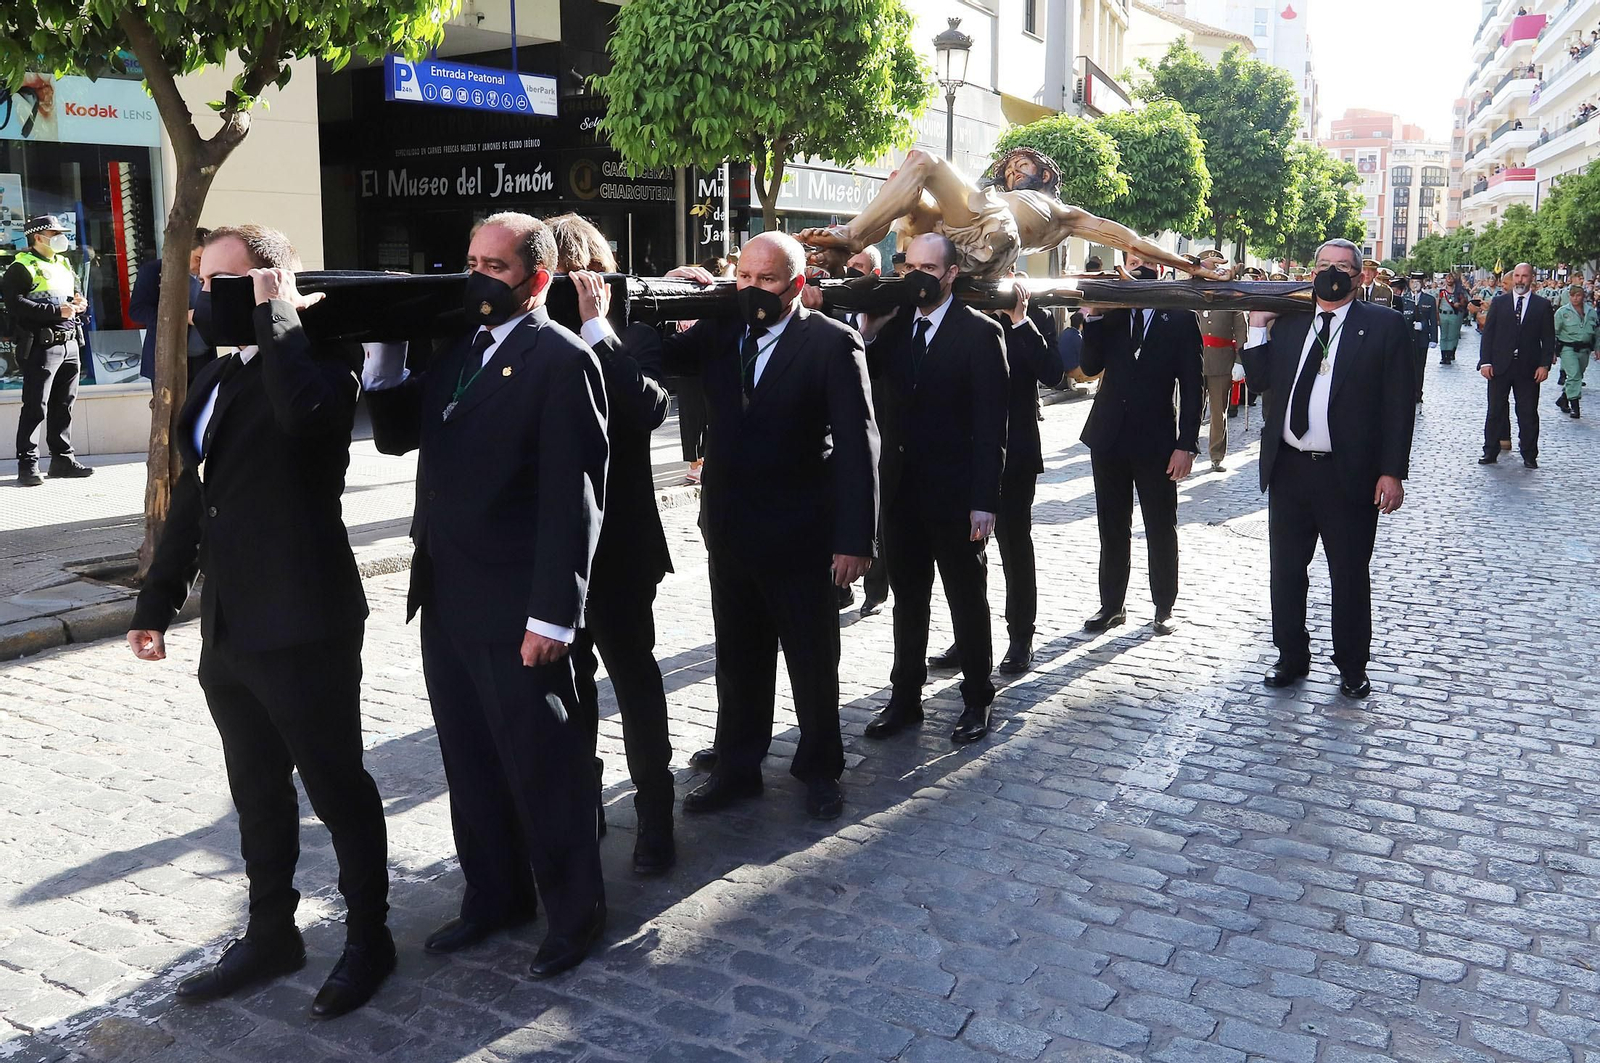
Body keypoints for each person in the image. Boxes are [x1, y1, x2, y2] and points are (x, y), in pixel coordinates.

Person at [126, 225, 391, 1017]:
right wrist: (156, 600)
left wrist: (281, 319)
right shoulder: (212, 380)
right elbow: (196, 500)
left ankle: (369, 935)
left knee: (336, 784)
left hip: (305, 620)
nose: (204, 300)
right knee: (257, 788)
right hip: (233, 627)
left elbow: (307, 423)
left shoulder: (319, 365)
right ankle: (273, 928)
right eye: (201, 283)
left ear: (269, 285)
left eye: (220, 284)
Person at [362, 212, 610, 978]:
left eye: (493, 266)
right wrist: (386, 350)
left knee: (543, 765)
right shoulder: (459, 348)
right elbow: (399, 434)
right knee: (469, 761)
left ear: (537, 277)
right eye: (469, 260)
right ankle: (494, 895)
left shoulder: (560, 359)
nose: (476, 276)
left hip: (520, 605)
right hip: (450, 594)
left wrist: (553, 613)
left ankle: (575, 914)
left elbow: (576, 499)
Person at [660, 232, 878, 822]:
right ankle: (738, 767)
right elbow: (648, 359)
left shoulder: (833, 344)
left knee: (811, 659)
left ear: (797, 285)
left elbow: (860, 448)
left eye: (767, 281)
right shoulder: (720, 330)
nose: (752, 291)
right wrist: (669, 298)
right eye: (744, 279)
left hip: (802, 536)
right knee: (738, 658)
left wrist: (855, 542)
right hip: (730, 531)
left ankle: (819, 769)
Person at [545, 214, 678, 877]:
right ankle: (584, 803)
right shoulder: (534, 340)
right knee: (571, 691)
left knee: (635, 682)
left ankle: (656, 814)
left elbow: (646, 409)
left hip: (621, 547)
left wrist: (599, 326)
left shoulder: (633, 336)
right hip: (554, 551)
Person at [1242, 238, 1415, 700]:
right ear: (1310, 271)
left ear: (1359, 276)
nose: (1331, 273)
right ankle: (1290, 655)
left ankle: (1352, 665)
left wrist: (1392, 471)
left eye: (1342, 266)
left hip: (1350, 473)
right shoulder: (1292, 323)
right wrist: (1258, 328)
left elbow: (1399, 406)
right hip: (1290, 470)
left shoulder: (1384, 325)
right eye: (1323, 265)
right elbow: (1258, 383)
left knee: (1349, 573)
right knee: (1286, 570)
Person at [859, 232, 1008, 745]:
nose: (916, 275)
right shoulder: (895, 328)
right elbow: (865, 385)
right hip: (902, 494)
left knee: (967, 599)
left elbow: (992, 426)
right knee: (908, 601)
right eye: (909, 266)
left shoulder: (980, 333)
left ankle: (976, 699)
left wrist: (984, 502)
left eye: (928, 267)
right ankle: (905, 699)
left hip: (957, 497)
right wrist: (869, 333)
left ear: (950, 274)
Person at [799, 146, 1222, 282]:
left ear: (1046, 175)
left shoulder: (1063, 211)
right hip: (954, 234)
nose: (1016, 170)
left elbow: (1129, 239)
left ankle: (852, 237)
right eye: (1011, 167)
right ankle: (848, 251)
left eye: (1025, 167)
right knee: (905, 183)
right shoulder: (991, 195)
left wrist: (1189, 265)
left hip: (995, 237)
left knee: (923, 161)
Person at [928, 271, 1062, 676]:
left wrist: (1020, 320)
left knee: (1014, 546)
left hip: (1016, 452)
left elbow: (1054, 372)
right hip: (966, 453)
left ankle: (1021, 636)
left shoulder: (1035, 315)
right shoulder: (963, 312)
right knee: (967, 553)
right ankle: (969, 635)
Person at [1078, 252, 1202, 638]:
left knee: (1160, 526)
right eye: (1132, 261)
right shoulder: (1112, 314)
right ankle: (1111, 605)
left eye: (1145, 262)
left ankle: (1164, 606)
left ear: (1161, 270)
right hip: (1109, 436)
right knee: (1111, 526)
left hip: (1157, 441)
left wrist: (1186, 444)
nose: (1138, 268)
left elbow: (1193, 385)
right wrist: (1095, 316)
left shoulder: (1180, 318)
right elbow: (1090, 366)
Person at [4, 215, 93, 486]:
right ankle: (28, 464)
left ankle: (62, 459)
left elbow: (71, 297)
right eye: (55, 232)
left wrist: (78, 304)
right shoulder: (21, 267)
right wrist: (56, 311)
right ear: (38, 237)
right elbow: (14, 303)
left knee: (64, 404)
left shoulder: (64, 263)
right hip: (42, 345)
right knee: (35, 406)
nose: (61, 237)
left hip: (69, 343)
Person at [1478, 262, 1557, 468]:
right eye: (1518, 276)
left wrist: (1544, 365)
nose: (1520, 280)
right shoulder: (1499, 303)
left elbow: (1548, 339)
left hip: (1528, 368)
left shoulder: (1542, 306)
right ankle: (1490, 450)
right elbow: (1489, 335)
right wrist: (1485, 362)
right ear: (1513, 279)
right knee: (1495, 411)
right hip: (1500, 366)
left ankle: (1529, 454)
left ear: (1532, 279)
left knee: (1528, 412)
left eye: (1525, 276)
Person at [131, 228, 215, 386]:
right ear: (185, 251)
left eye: (207, 260)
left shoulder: (213, 276)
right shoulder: (154, 271)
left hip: (204, 361)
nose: (202, 265)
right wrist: (182, 317)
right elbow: (137, 312)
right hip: (167, 361)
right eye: (198, 258)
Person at [1195, 249, 1248, 473]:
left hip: (1221, 361)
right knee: (1191, 409)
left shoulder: (1229, 295)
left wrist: (1239, 361)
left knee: (1218, 412)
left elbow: (1241, 332)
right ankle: (1186, 449)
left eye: (1213, 269)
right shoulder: (1192, 292)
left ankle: (1216, 455)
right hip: (1194, 361)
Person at [1554, 283, 1598, 419]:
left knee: (1578, 375)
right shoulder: (1562, 312)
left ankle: (1563, 399)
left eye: (1578, 295)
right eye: (1572, 295)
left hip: (1584, 349)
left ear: (1583, 297)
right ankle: (1575, 407)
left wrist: (1597, 348)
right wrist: (1553, 352)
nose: (1575, 298)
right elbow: (1554, 332)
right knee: (1574, 375)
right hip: (1568, 348)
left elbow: (1597, 332)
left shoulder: (1591, 312)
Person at [1408, 272, 1437, 403]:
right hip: (1407, 339)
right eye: (1413, 281)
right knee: (1408, 366)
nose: (1415, 284)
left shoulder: (1429, 300)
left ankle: (1418, 393)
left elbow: (1433, 320)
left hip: (1422, 340)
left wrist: (1433, 338)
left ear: (1423, 284)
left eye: (1418, 282)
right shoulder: (1404, 299)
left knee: (1420, 367)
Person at [1438, 274, 1468, 365]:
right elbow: (1437, 304)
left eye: (1451, 278)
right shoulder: (1441, 291)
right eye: (1447, 278)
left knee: (1452, 336)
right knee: (1443, 336)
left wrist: (1460, 303)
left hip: (1454, 315)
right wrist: (1436, 318)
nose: (1449, 280)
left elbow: (1465, 302)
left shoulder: (1459, 291)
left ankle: (1449, 355)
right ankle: (1443, 356)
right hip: (1443, 314)